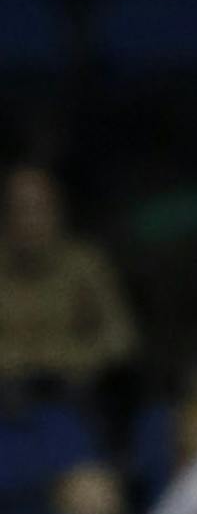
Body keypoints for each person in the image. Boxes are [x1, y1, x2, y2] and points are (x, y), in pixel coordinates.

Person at [0, 166, 138, 399]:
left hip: (77, 396)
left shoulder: (86, 265)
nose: (29, 222)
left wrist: (65, 358)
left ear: (58, 212)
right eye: (20, 210)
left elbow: (122, 339)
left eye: (39, 209)